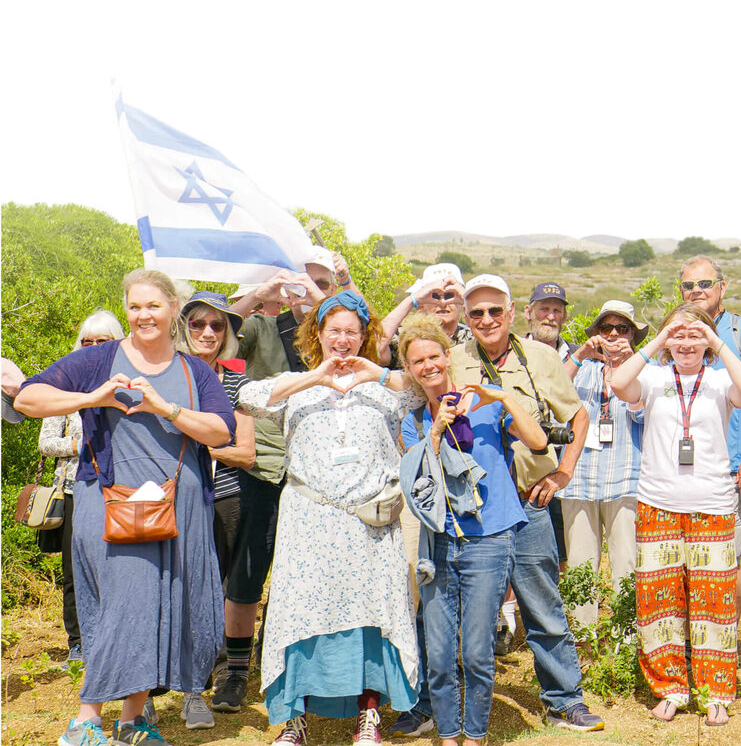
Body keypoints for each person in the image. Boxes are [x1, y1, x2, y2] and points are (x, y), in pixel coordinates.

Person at [16, 268, 237, 746]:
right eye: (134, 306)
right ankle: (85, 723)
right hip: (109, 506)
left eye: (153, 305)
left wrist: (166, 408)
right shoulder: (99, 360)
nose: (143, 315)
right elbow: (29, 397)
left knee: (157, 609)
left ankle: (133, 722)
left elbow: (222, 431)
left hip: (177, 511)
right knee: (123, 607)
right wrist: (91, 397)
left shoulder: (194, 371)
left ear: (174, 309)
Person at [237, 290, 425, 746]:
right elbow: (246, 397)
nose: (342, 340)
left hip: (368, 526)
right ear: (317, 334)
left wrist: (377, 372)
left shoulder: (382, 390)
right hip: (308, 523)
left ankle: (368, 715)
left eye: (351, 332)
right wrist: (315, 377)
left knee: (370, 616)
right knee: (302, 615)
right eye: (334, 331)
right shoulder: (295, 386)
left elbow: (424, 387)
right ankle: (294, 722)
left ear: (364, 337)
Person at [447, 274, 602, 732]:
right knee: (461, 607)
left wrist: (562, 473)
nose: (487, 319)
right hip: (475, 504)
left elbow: (578, 416)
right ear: (467, 316)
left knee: (542, 604)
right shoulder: (454, 359)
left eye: (495, 310)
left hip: (529, 500)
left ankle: (564, 700)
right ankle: (449, 701)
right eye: (477, 312)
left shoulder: (541, 357)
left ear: (512, 312)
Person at [398, 315, 550, 746]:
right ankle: (449, 735)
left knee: (478, 650)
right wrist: (436, 430)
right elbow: (417, 477)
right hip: (438, 542)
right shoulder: (415, 421)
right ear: (409, 369)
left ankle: (476, 735)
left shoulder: (486, 406)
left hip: (489, 539)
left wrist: (499, 394)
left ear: (447, 356)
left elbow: (538, 441)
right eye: (417, 361)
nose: (427, 366)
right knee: (440, 652)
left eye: (433, 356)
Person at [610, 302, 741, 726]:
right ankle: (670, 688)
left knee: (714, 604)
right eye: (679, 335)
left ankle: (716, 693)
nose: (686, 342)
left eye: (696, 335)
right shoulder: (654, 377)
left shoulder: (719, 380)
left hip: (712, 504)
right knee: (659, 603)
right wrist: (662, 337)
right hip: (658, 503)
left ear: (709, 341)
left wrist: (714, 340)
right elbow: (619, 382)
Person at [217, 256, 344, 715]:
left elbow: (373, 338)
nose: (308, 291)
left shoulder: (340, 338)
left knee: (311, 580)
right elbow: (219, 332)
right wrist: (261, 291)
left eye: (320, 283)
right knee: (247, 576)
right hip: (266, 470)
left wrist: (323, 296)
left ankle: (303, 670)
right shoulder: (263, 328)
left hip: (322, 477)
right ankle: (234, 674)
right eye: (301, 282)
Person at [678, 255, 741, 619]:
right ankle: (693, 636)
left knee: (726, 559)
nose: (697, 291)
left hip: (732, 470)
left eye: (705, 284)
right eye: (689, 285)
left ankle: (725, 636)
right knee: (685, 561)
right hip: (684, 471)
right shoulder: (678, 336)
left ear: (722, 287)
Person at [175, 292, 258, 729]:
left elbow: (246, 453)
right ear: (183, 326)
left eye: (217, 325)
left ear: (227, 333)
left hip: (225, 495)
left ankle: (228, 672)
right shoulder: (169, 374)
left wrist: (200, 440)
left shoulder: (238, 383)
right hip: (174, 497)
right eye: (198, 323)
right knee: (181, 582)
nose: (207, 332)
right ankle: (185, 672)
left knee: (225, 586)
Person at [37, 311, 125, 668]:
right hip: (75, 488)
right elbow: (46, 442)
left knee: (118, 568)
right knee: (75, 571)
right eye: (87, 341)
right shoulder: (65, 385)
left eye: (102, 341)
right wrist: (82, 445)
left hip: (119, 490)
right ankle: (79, 643)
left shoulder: (128, 384)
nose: (93, 347)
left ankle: (114, 638)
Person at [558, 300, 649, 625]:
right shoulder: (581, 368)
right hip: (580, 478)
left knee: (627, 564)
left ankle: (627, 640)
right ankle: (583, 639)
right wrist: (582, 352)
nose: (613, 334)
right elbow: (552, 392)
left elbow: (644, 414)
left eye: (622, 328)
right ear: (596, 332)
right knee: (580, 567)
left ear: (632, 334)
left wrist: (629, 363)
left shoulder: (644, 371)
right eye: (606, 327)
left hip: (627, 479)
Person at [525, 282, 576, 357]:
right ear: (528, 313)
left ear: (564, 317)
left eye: (557, 310)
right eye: (544, 309)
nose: (551, 317)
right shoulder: (513, 353)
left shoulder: (578, 356)